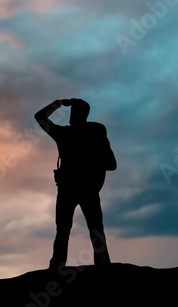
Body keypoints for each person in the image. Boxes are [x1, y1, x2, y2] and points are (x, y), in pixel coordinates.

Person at [34, 98, 117, 270]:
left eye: (75, 112)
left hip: (75, 189)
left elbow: (40, 117)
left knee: (76, 231)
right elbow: (111, 164)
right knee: (82, 230)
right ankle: (100, 268)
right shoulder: (93, 133)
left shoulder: (66, 134)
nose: (72, 116)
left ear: (82, 114)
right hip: (80, 189)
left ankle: (62, 268)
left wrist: (58, 104)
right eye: (73, 112)